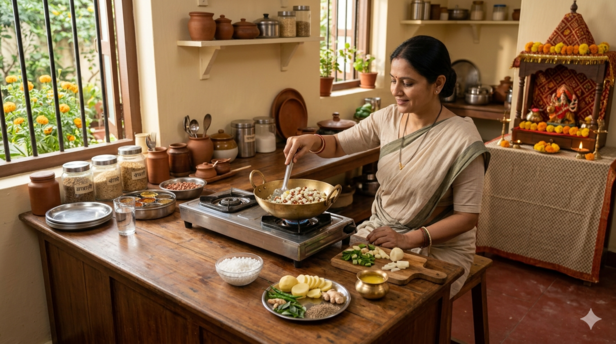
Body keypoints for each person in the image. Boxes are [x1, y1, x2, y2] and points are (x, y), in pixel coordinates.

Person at [284, 36, 490, 297]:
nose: (395, 91)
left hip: (437, 247)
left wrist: (406, 240)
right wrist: (312, 140)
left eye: (408, 83)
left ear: (438, 83)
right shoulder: (387, 118)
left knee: (392, 303)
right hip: (381, 232)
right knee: (334, 285)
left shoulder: (462, 139)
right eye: (393, 80)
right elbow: (337, 144)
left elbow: (467, 218)